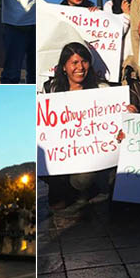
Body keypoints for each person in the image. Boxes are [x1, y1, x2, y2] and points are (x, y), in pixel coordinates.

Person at [42, 42, 115, 208]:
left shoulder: (102, 90)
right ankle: (62, 188)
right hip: (59, 155)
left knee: (83, 179)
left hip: (87, 156)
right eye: (74, 63)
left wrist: (126, 114)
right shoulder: (51, 90)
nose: (80, 67)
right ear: (64, 67)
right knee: (57, 203)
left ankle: (83, 189)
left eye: (84, 61)